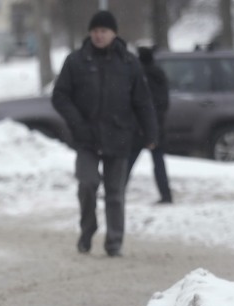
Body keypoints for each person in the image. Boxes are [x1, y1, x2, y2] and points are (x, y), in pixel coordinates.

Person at [52, 10, 158, 257]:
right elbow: (60, 96)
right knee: (87, 183)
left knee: (115, 193)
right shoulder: (76, 61)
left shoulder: (129, 63)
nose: (99, 35)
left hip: (119, 135)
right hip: (86, 137)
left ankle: (114, 242)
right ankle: (88, 229)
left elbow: (142, 101)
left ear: (114, 33)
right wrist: (77, 122)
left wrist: (151, 132)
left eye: (103, 31)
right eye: (95, 31)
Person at [127, 46, 173, 204]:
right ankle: (166, 195)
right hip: (156, 125)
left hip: (140, 126)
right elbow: (163, 102)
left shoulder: (138, 75)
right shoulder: (159, 74)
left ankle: (116, 191)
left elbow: (137, 102)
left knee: (129, 162)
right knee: (158, 163)